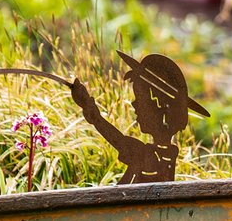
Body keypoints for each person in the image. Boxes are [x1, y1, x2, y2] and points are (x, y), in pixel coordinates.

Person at [69, 51, 210, 184]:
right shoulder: (164, 154)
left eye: (141, 100)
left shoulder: (151, 157)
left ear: (161, 106)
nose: (134, 104)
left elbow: (121, 142)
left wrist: (92, 112)